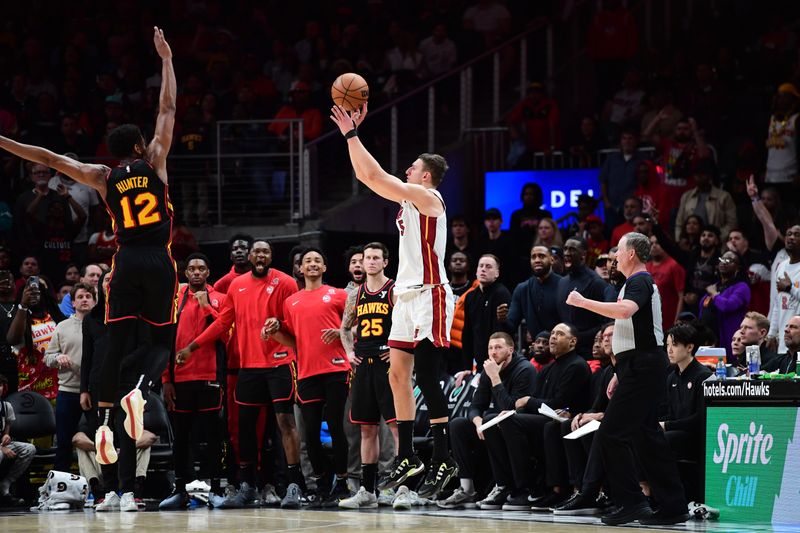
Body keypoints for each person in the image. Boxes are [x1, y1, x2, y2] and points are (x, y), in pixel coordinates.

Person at [0, 27, 177, 465]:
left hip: (127, 259)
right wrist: (167, 60)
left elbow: (49, 159)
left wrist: (2, 141)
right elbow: (168, 107)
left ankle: (108, 406)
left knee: (112, 338)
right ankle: (140, 391)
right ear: (139, 146)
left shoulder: (102, 175)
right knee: (160, 340)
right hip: (159, 259)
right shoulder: (154, 159)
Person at [330, 103, 456, 499]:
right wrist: (350, 138)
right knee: (398, 375)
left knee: (429, 375)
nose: (407, 171)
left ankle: (444, 456)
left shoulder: (429, 198)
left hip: (430, 294)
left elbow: (376, 174)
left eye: (413, 168)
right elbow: (366, 176)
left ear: (427, 176)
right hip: (404, 298)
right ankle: (408, 455)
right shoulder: (407, 201)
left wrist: (352, 134)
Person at [566, 232, 688, 525]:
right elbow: (633, 328)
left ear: (631, 253)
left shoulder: (640, 281)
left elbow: (625, 311)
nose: (614, 257)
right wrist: (621, 370)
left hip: (643, 366)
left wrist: (583, 302)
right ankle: (673, 506)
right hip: (638, 365)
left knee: (610, 433)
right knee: (646, 437)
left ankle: (632, 502)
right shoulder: (635, 283)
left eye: (618, 251)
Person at [175, 240, 302, 509]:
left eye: (265, 252)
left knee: (285, 424)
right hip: (248, 367)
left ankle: (293, 485)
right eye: (257, 251)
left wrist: (279, 326)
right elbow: (223, 322)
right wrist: (191, 346)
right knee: (244, 430)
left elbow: (295, 321)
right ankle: (247, 486)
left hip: (279, 364)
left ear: (271, 256)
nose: (260, 255)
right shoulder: (236, 284)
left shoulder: (287, 283)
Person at [264, 248, 350, 507]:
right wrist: (274, 333)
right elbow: (292, 341)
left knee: (336, 426)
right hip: (307, 372)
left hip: (336, 369)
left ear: (324, 267)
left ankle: (343, 484)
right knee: (309, 433)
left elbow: (356, 327)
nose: (312, 264)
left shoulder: (339, 295)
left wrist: (341, 332)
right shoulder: (291, 302)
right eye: (307, 261)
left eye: (317, 261)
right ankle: (322, 485)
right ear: (299, 269)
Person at [484, 323, 590, 511]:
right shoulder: (549, 369)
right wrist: (516, 410)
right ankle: (507, 485)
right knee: (496, 420)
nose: (553, 337)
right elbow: (535, 403)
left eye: (560, 334)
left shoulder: (577, 365)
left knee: (513, 421)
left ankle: (527, 487)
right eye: (553, 333)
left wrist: (527, 401)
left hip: (567, 420)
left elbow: (559, 403)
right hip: (546, 418)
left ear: (573, 342)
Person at [438, 332, 536, 510]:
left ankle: (505, 487)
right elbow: (475, 406)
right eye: (490, 348)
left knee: (492, 419)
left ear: (511, 350)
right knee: (458, 424)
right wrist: (478, 423)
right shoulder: (488, 370)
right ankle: (467, 489)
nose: (493, 352)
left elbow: (513, 408)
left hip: (516, 427)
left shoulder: (524, 369)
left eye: (498, 347)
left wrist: (495, 378)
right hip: (492, 426)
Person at [159, 253, 226, 509]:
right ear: (185, 273)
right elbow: (166, 341)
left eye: (201, 268)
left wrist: (206, 304)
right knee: (182, 438)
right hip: (180, 380)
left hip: (210, 377)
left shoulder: (220, 298)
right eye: (191, 269)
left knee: (212, 437)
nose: (196, 272)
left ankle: (216, 490)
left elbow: (224, 330)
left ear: (208, 272)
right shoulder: (174, 301)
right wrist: (166, 379)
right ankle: (180, 490)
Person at [337, 242, 399, 509]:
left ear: (385, 262)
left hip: (388, 365)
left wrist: (396, 352)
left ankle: (401, 487)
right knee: (367, 428)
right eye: (366, 258)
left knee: (397, 429)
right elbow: (344, 328)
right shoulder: (355, 294)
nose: (370, 262)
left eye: (375, 258)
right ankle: (368, 490)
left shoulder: (394, 290)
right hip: (364, 365)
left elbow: (410, 326)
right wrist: (349, 352)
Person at [44, 282, 95, 472]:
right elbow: (47, 358)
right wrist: (58, 357)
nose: (84, 300)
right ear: (72, 302)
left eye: (88, 297)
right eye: (80, 297)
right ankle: (60, 487)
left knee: (100, 438)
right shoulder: (62, 327)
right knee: (64, 442)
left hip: (93, 392)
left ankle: (102, 487)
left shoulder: (102, 327)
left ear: (94, 301)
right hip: (68, 391)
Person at [660, 324, 712, 463]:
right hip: (676, 431)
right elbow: (671, 413)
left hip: (696, 436)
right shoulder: (672, 377)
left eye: (675, 345)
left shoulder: (703, 376)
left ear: (689, 347)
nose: (669, 350)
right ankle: (644, 483)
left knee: (660, 440)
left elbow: (701, 418)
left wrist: (666, 425)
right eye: (667, 345)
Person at [557, 237, 614, 357]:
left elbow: (604, 323)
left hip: (588, 353)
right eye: (565, 249)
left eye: (572, 249)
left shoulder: (596, 283)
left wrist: (577, 338)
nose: (567, 253)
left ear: (583, 254)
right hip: (565, 351)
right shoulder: (561, 282)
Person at [497, 245, 562, 341]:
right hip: (535, 351)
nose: (537, 260)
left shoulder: (563, 285)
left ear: (551, 260)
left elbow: (570, 324)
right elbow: (511, 327)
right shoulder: (522, 289)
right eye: (533, 257)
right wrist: (503, 320)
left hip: (561, 347)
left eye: (541, 256)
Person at [461, 255, 511, 371]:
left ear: (497, 274)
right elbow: (467, 333)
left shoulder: (501, 293)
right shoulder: (470, 296)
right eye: (481, 266)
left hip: (498, 361)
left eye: (488, 267)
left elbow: (500, 332)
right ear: (476, 271)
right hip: (478, 361)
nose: (483, 269)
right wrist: (467, 368)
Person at [699, 251, 751, 359]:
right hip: (708, 341)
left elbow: (728, 306)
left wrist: (714, 295)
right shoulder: (715, 286)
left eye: (729, 260)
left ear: (738, 267)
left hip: (727, 340)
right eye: (722, 259)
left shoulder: (741, 287)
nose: (724, 262)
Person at [674, 161, 737, 242]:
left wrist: (716, 237)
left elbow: (732, 224)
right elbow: (679, 223)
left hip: (717, 245)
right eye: (696, 174)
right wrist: (680, 240)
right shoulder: (687, 196)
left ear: (709, 176)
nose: (699, 177)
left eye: (703, 174)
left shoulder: (724, 197)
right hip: (690, 244)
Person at [0, 373, 36, 507]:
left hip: (2, 445)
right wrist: (2, 448)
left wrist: (6, 437)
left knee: (29, 448)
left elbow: (6, 429)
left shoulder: (6, 406)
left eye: (0, 385)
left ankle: (5, 484)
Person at [768, 225, 800, 354]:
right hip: (783, 339)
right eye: (789, 234)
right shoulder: (781, 266)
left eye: (797, 235)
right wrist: (771, 333)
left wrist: (790, 288)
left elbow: (787, 289)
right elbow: (777, 303)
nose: (791, 237)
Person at [647, 236, 685, 329]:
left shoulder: (674, 266)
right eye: (651, 244)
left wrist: (677, 320)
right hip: (649, 321)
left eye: (658, 243)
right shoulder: (645, 267)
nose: (654, 246)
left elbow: (681, 296)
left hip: (668, 321)